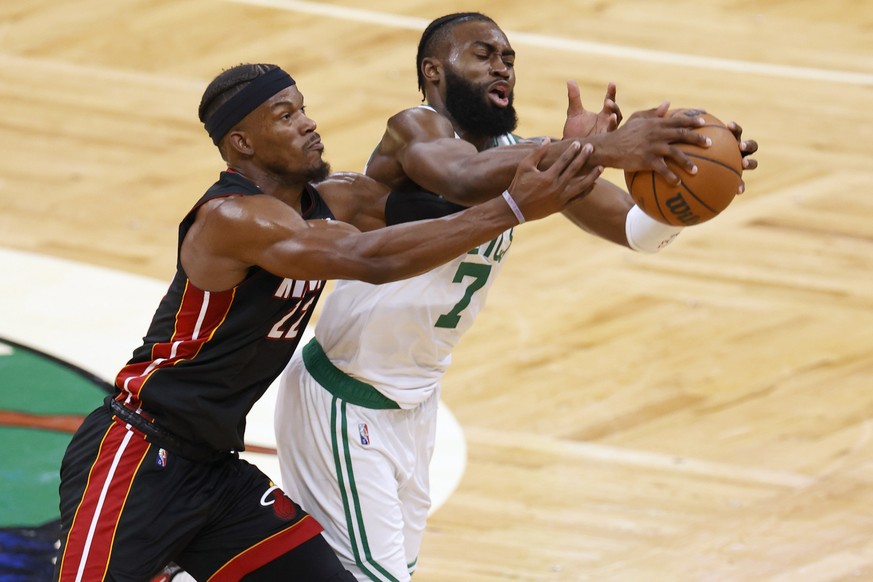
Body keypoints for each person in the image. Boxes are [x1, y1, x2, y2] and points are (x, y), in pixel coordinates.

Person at [52, 62, 605, 582]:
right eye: (286, 116)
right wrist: (513, 206)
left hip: (213, 469)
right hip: (138, 455)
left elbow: (451, 209)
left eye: (303, 108)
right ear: (242, 143)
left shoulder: (332, 200)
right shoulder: (231, 218)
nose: (309, 122)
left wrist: (581, 153)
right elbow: (376, 260)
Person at [274, 11, 759, 582]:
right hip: (345, 398)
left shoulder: (537, 159)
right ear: (434, 71)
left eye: (507, 58)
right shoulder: (415, 129)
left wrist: (690, 188)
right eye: (482, 54)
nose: (501, 66)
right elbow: (462, 176)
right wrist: (600, 150)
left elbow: (636, 232)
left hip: (413, 405)